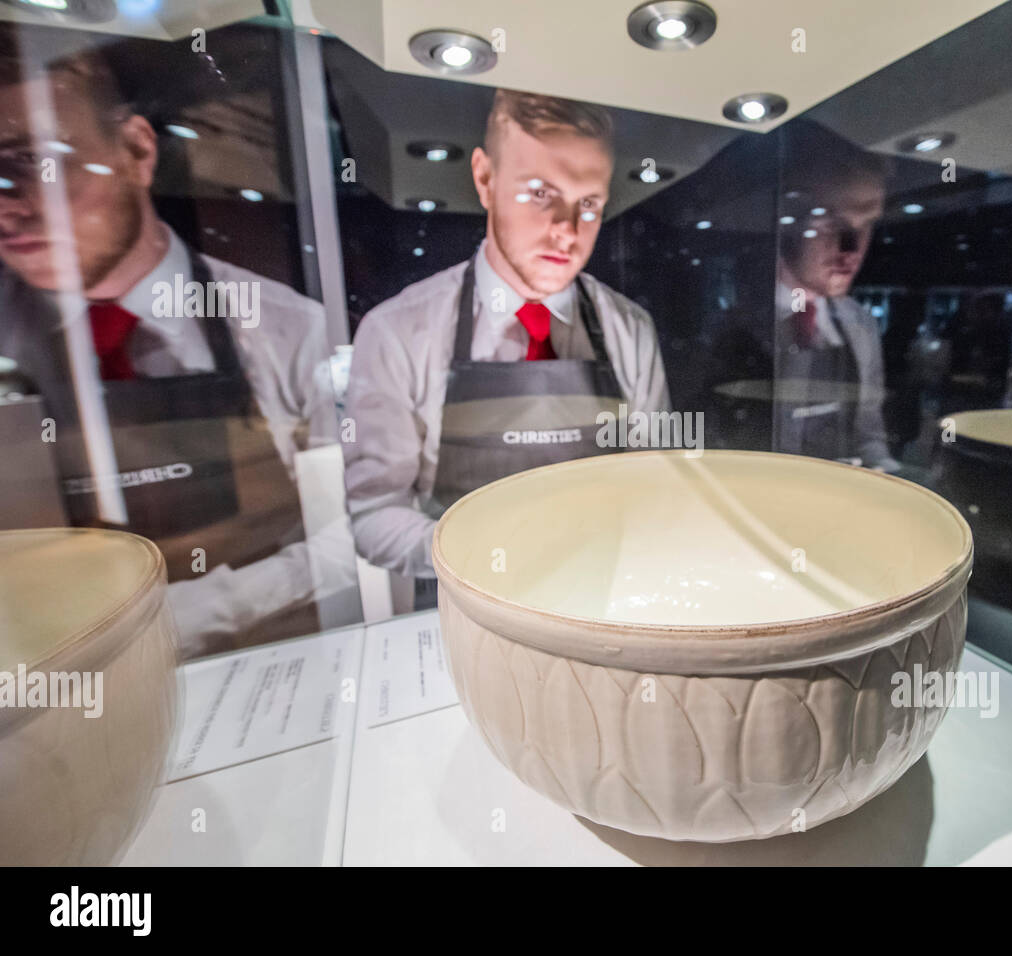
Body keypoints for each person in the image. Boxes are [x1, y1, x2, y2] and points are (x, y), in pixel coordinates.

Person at [0, 26, 352, 657]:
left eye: (36, 162)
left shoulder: (287, 327)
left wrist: (181, 619)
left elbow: (351, 532)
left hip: (269, 662)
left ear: (138, 149)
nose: (8, 207)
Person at [344, 90, 670, 596]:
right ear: (485, 179)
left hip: (603, 601)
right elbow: (375, 516)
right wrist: (491, 562)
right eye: (541, 193)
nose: (567, 229)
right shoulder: (397, 332)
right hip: (464, 614)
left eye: (589, 203)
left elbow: (654, 481)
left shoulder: (631, 329)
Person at [773, 119, 898, 471]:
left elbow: (869, 434)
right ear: (788, 220)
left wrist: (889, 477)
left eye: (866, 225)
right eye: (832, 223)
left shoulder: (860, 324)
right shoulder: (741, 323)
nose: (852, 249)